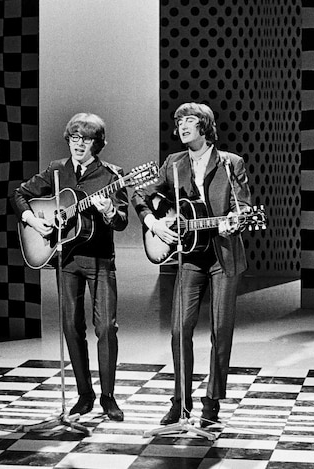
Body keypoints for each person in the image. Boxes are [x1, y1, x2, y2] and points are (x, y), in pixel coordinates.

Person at [132, 102, 252, 428]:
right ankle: (180, 402)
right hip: (189, 257)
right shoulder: (174, 163)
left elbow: (243, 207)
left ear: (204, 125)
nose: (182, 126)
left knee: (220, 333)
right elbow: (140, 195)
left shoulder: (230, 163)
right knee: (178, 329)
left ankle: (211, 402)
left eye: (189, 120)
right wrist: (154, 224)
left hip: (223, 256)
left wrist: (234, 223)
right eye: (178, 121)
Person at [10, 112, 128, 421]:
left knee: (105, 327)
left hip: (100, 260)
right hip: (66, 259)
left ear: (97, 143)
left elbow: (122, 222)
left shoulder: (112, 175)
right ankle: (84, 395)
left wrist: (109, 210)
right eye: (74, 138)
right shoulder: (57, 170)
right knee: (71, 327)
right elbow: (20, 195)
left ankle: (108, 397)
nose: (79, 144)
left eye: (86, 139)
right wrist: (34, 220)